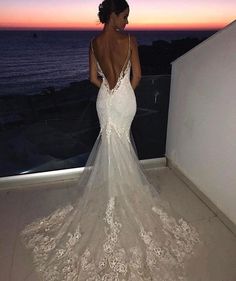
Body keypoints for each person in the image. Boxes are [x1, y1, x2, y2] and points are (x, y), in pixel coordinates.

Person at [20, 1, 202, 280]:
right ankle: (121, 196)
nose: (128, 22)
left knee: (110, 147)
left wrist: (108, 89)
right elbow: (137, 76)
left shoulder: (93, 42)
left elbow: (93, 78)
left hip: (104, 101)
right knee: (122, 146)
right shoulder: (130, 40)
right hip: (124, 101)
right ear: (114, 15)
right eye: (125, 16)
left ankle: (111, 195)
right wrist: (122, 94)